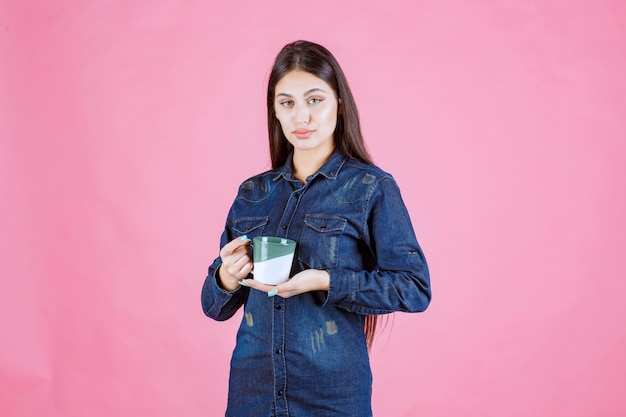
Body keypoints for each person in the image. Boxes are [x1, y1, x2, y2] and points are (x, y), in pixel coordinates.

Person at [201, 40, 431, 417]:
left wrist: (324, 280)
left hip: (332, 398)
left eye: (315, 100)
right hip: (252, 394)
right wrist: (227, 275)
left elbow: (414, 287)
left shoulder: (371, 188)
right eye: (286, 103)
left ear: (339, 104)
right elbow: (213, 306)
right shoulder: (253, 192)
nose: (301, 117)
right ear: (274, 111)